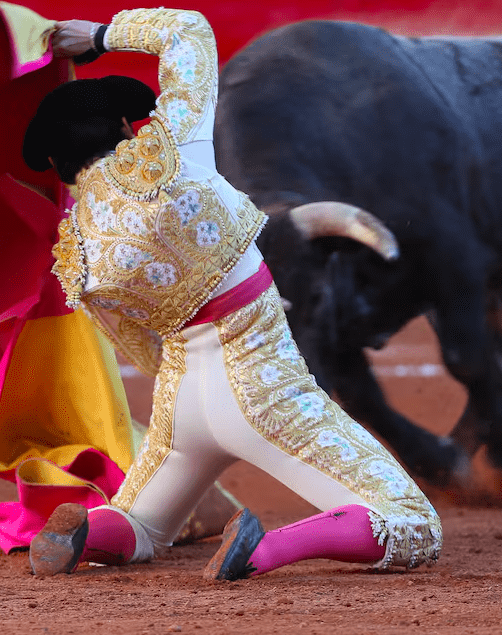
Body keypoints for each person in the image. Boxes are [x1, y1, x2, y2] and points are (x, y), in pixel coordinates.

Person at [22, 8, 441, 580]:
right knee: (411, 523)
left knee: (143, 524)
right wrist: (98, 36)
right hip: (264, 386)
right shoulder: (170, 157)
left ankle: (93, 531)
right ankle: (262, 549)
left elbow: (140, 346)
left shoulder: (79, 251)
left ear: (56, 164)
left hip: (180, 406)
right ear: (126, 125)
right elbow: (188, 31)